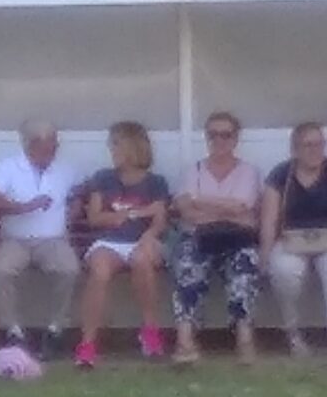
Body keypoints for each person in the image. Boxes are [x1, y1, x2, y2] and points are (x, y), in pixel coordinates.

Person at [72, 121, 170, 368]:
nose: (111, 149)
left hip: (144, 240)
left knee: (141, 260)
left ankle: (150, 332)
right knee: (100, 270)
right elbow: (95, 218)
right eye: (111, 144)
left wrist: (147, 235)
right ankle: (87, 344)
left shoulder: (156, 182)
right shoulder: (103, 178)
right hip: (109, 241)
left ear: (133, 146)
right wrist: (135, 213)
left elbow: (159, 220)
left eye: (116, 144)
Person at [168, 112, 263, 363]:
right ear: (206, 137)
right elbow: (187, 213)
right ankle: (185, 342)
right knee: (187, 265)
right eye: (213, 135)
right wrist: (228, 210)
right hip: (198, 238)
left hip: (237, 240)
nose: (219, 140)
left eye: (226, 135)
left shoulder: (248, 172)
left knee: (244, 266)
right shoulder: (193, 171)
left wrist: (200, 200)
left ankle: (244, 339)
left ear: (236, 139)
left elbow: (243, 207)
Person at [0, 122, 80, 353]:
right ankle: (11, 330)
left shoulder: (65, 169)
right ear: (29, 146)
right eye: (46, 148)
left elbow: (80, 190)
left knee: (69, 269)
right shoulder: (7, 168)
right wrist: (24, 207)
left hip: (53, 239)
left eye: (54, 147)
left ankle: (56, 328)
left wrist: (75, 205)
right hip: (15, 239)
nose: (51, 153)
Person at [260, 119, 327, 354]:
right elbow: (269, 219)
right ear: (295, 149)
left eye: (320, 144)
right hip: (290, 240)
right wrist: (264, 256)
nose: (316, 150)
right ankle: (293, 333)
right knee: (285, 272)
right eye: (308, 145)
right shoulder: (281, 175)